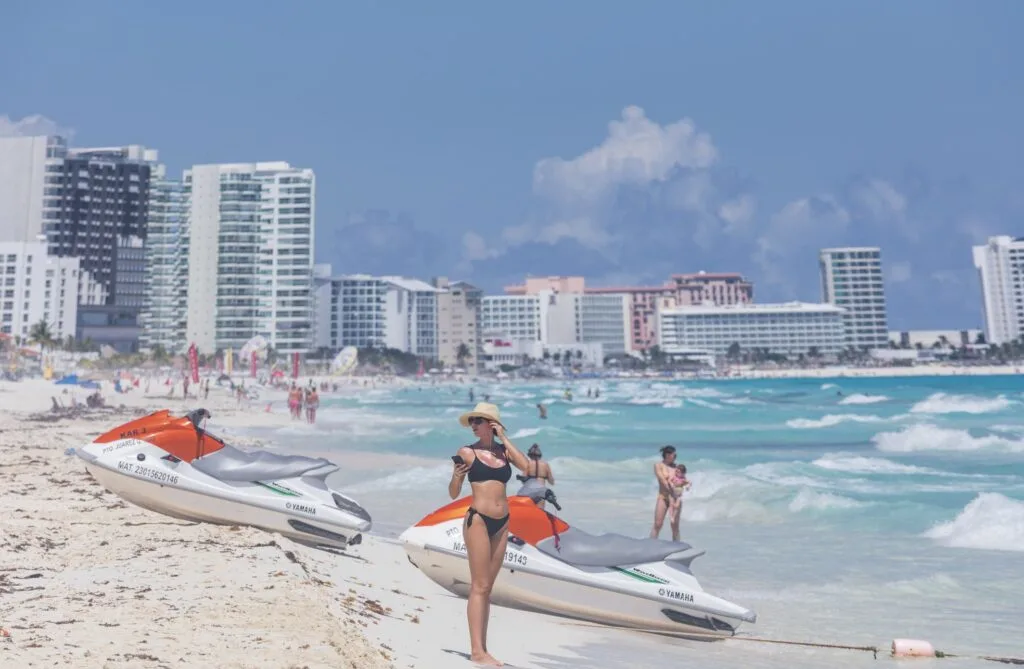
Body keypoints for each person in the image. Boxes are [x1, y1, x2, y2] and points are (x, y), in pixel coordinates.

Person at [448, 402, 530, 667]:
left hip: (503, 521)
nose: (473, 425)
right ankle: (476, 651)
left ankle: (482, 648)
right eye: (471, 421)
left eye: (478, 421)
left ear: (491, 424)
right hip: (479, 521)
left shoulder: (503, 451)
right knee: (479, 585)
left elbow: (526, 467)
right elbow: (452, 492)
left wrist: (504, 437)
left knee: (488, 588)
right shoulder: (466, 453)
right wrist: (457, 477)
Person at [650, 445, 682, 541]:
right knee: (658, 524)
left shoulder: (677, 467)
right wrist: (670, 487)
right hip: (663, 497)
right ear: (667, 455)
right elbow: (662, 479)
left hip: (675, 498)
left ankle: (677, 546)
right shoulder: (658, 465)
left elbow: (681, 480)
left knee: (674, 525)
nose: (675, 456)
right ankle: (650, 545)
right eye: (673, 454)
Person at [515, 443, 555, 508]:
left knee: (529, 512)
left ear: (530, 455)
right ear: (540, 455)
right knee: (540, 512)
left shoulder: (529, 464)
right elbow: (551, 482)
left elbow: (523, 480)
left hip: (529, 492)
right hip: (541, 492)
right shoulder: (545, 465)